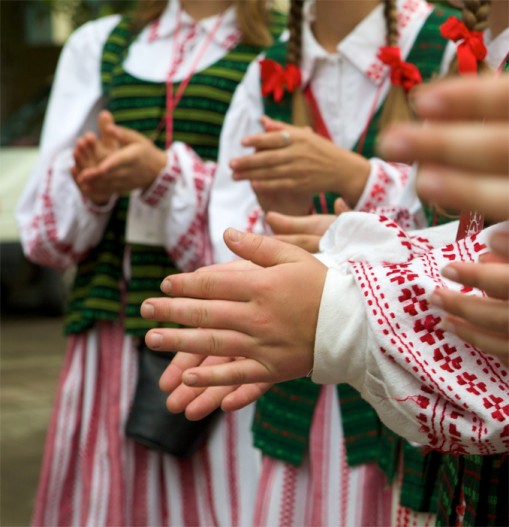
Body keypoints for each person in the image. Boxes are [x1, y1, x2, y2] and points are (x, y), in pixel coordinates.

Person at [15, 1, 283, 525]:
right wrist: (93, 185)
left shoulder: (281, 46)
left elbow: (273, 218)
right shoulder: (101, 45)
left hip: (229, 340)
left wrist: (164, 173)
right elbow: (47, 239)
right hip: (113, 336)